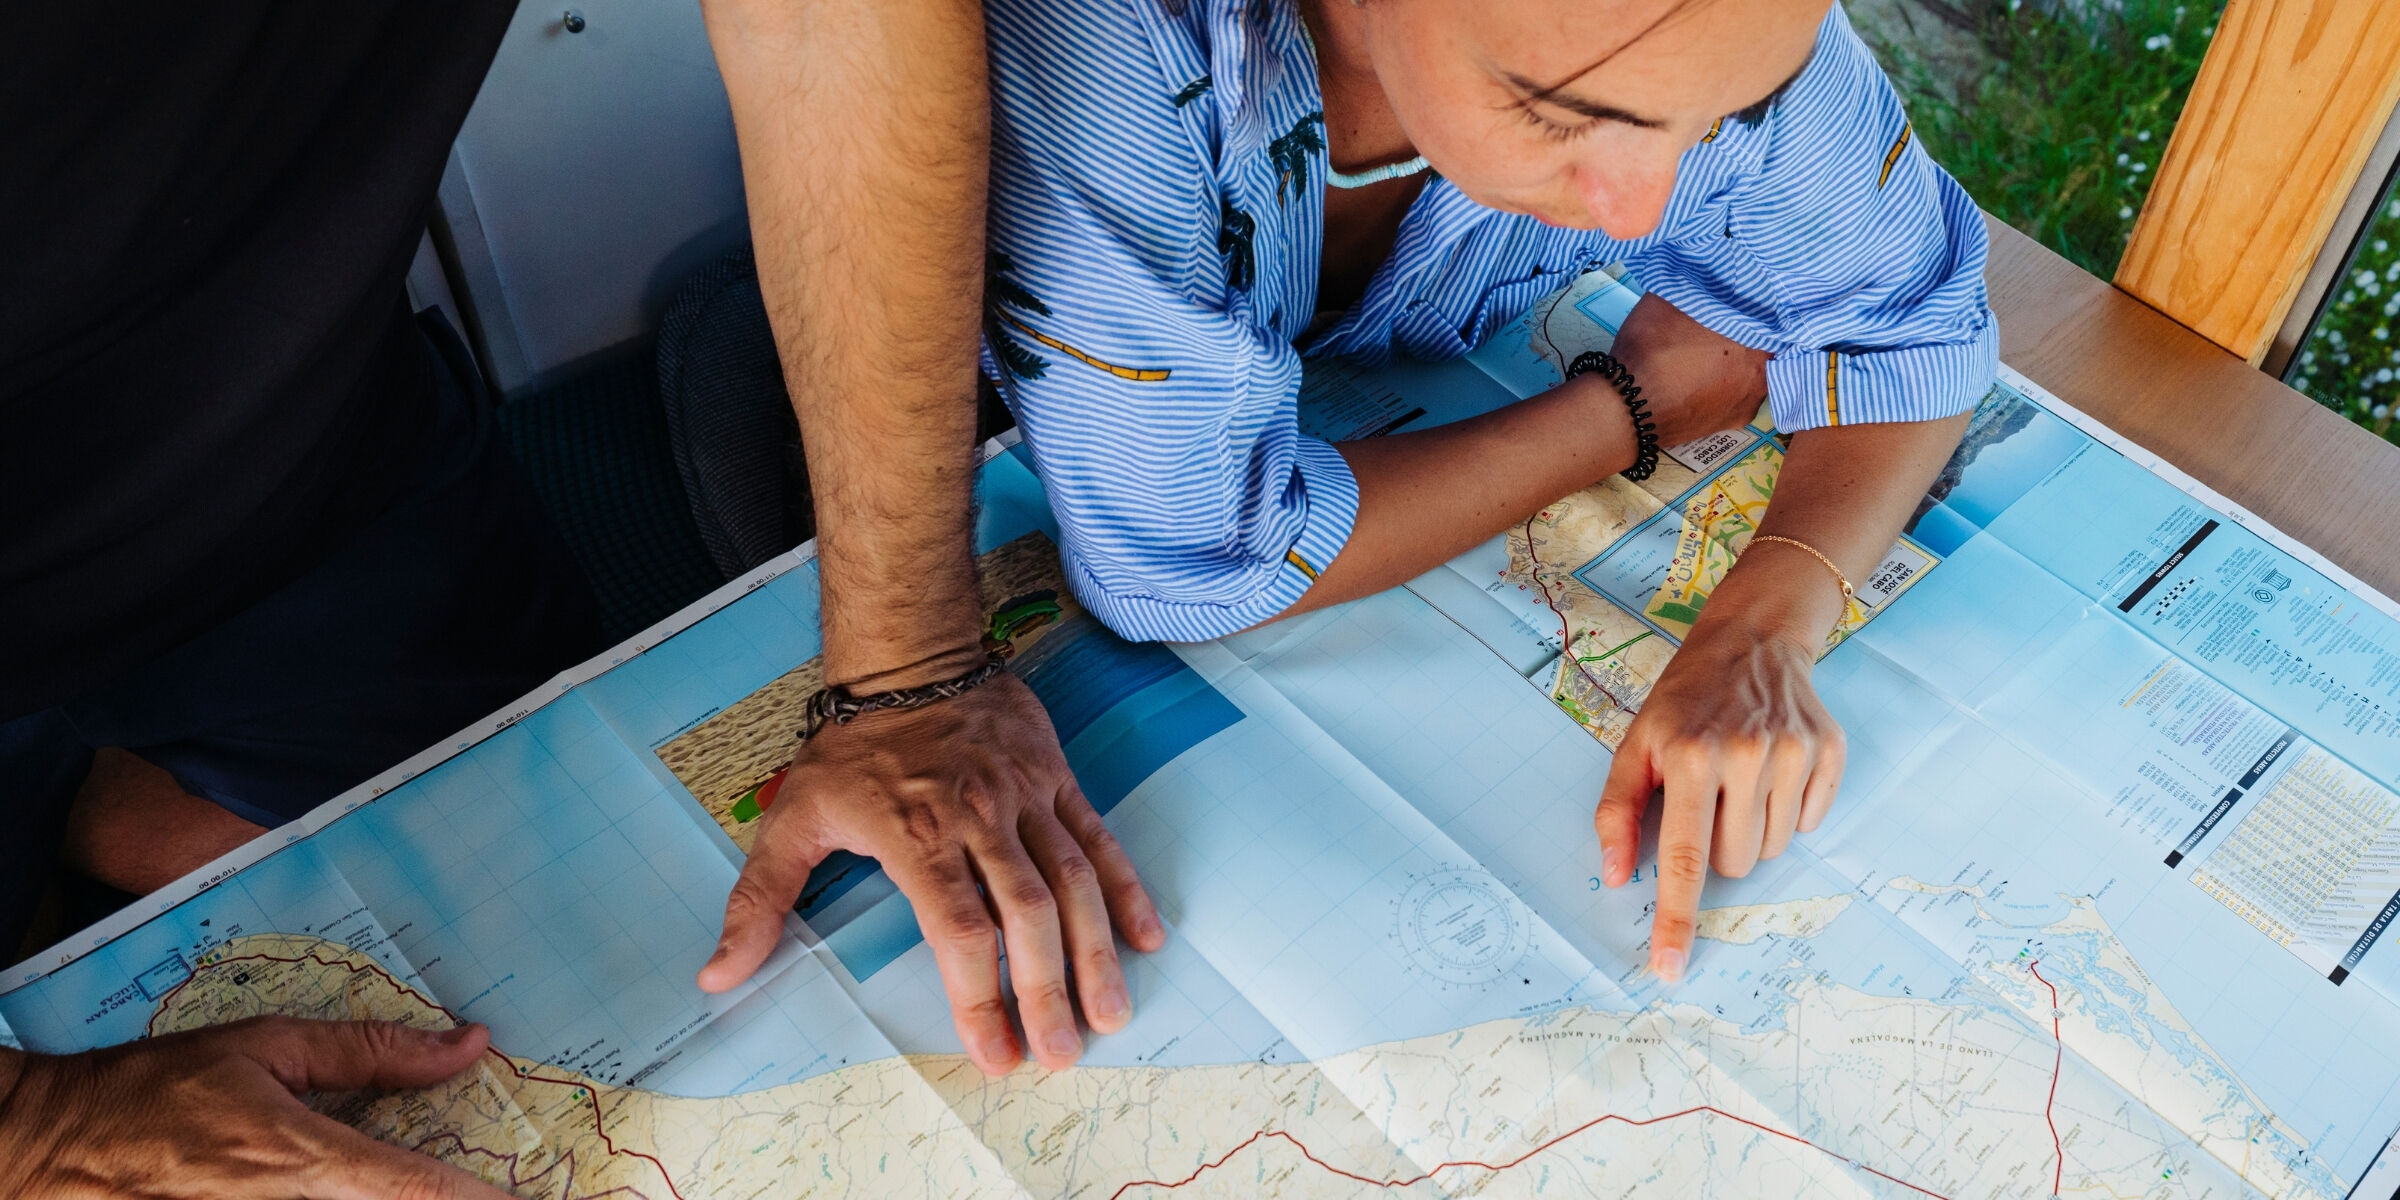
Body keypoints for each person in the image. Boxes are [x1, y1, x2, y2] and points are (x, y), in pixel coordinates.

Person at [700, 0, 1993, 1064]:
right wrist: (1627, 408)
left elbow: (1921, 313)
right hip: (947, 409)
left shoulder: (1684, 33)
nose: (1641, 204)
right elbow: (1187, 559)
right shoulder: (1118, 51)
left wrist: (1765, 619)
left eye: (1720, 117)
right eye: (1565, 119)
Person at [0, 0, 1087, 1193]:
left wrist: (909, 664)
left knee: (549, 945)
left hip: (300, 443)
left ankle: (86, 792)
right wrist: (35, 1125)